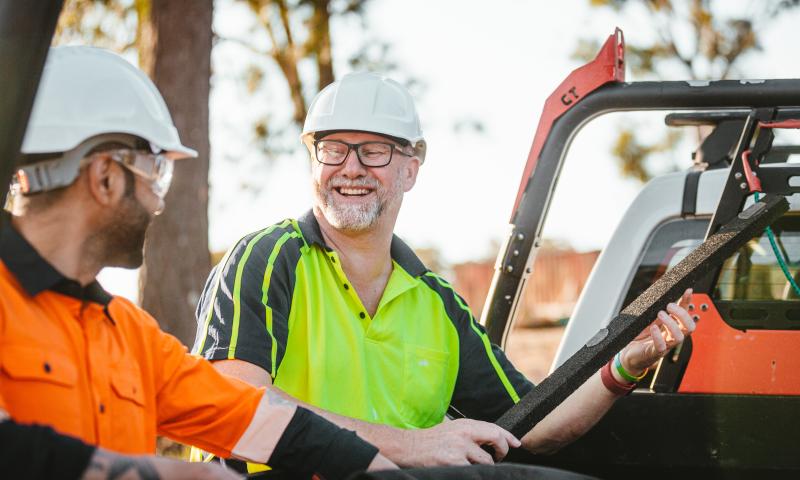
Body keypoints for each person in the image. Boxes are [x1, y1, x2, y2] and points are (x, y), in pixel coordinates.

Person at [192, 72, 695, 471]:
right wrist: (409, 447)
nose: (350, 168)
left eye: (375, 151)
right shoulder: (265, 260)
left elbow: (534, 427)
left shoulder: (436, 303)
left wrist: (624, 366)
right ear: (313, 160)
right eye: (333, 148)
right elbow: (232, 404)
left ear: (410, 169)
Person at [0, 47, 396, 480]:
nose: (159, 200)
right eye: (156, 174)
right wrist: (197, 476)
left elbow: (254, 419)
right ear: (105, 177)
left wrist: (384, 471)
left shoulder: (130, 335)